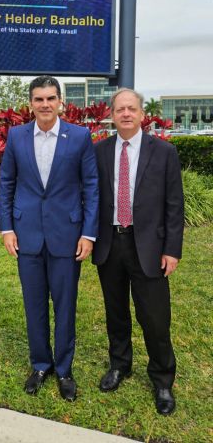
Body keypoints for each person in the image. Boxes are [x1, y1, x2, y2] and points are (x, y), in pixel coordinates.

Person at [0, 75, 99, 401]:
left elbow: (91, 186)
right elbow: (7, 183)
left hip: (67, 236)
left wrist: (88, 233)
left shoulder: (80, 136)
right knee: (34, 304)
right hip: (27, 235)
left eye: (50, 98)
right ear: (31, 103)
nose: (45, 104)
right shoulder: (16, 136)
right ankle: (41, 364)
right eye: (39, 99)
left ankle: (65, 369)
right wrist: (7, 228)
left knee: (65, 305)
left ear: (60, 102)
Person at [93, 88, 184, 415]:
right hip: (110, 243)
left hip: (149, 246)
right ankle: (120, 364)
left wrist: (172, 249)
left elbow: (174, 205)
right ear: (113, 115)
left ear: (142, 114)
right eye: (120, 109)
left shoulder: (164, 152)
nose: (126, 114)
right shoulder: (100, 151)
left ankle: (162, 379)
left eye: (132, 108)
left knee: (155, 318)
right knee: (116, 312)